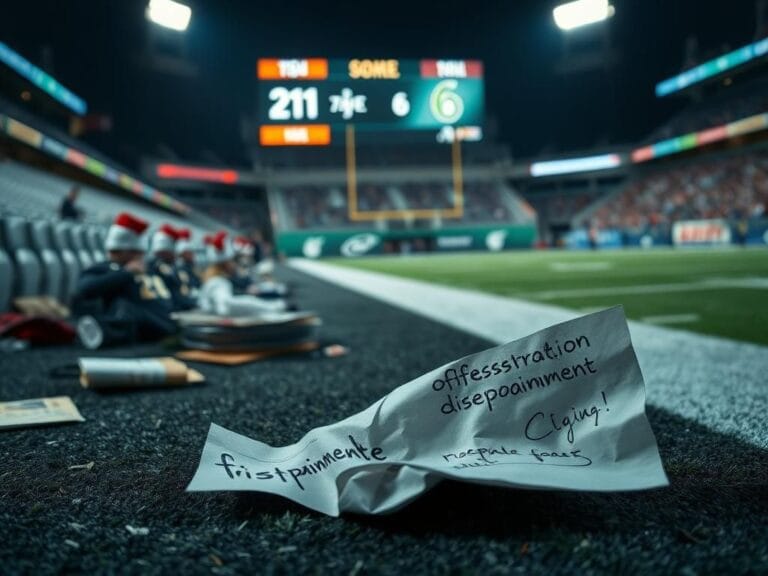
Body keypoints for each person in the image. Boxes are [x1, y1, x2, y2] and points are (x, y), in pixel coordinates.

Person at [73, 212, 176, 348]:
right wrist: (126, 273)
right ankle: (102, 330)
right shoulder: (106, 268)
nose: (141, 256)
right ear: (122, 251)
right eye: (136, 252)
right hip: (137, 323)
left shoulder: (150, 268)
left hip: (160, 320)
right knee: (124, 307)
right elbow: (85, 288)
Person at [198, 231, 287, 316]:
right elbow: (225, 307)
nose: (234, 264)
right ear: (225, 264)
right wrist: (271, 307)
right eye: (232, 260)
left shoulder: (222, 278)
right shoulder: (217, 282)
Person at [147, 224, 196, 311]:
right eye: (172, 251)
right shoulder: (153, 268)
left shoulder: (173, 267)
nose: (175, 254)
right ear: (164, 252)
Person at [175, 228, 201, 299]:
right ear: (182, 254)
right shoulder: (179, 268)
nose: (192, 255)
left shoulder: (192, 267)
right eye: (189, 252)